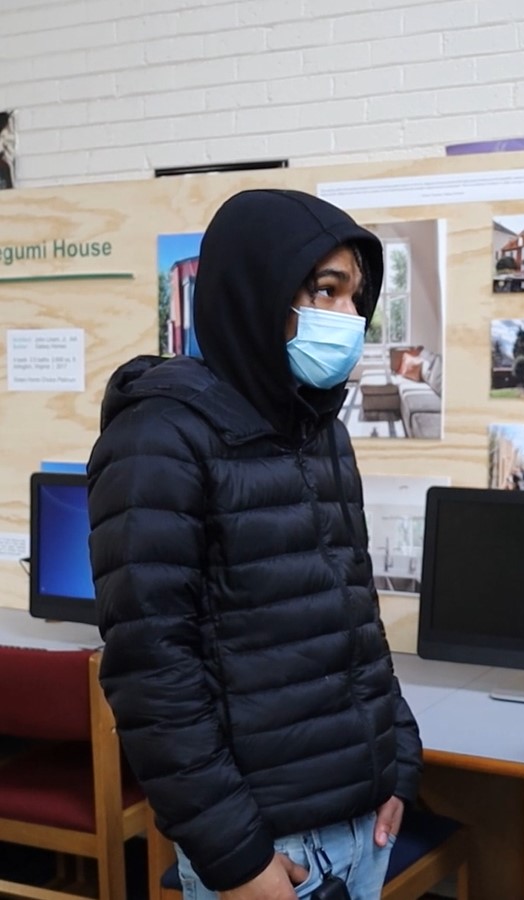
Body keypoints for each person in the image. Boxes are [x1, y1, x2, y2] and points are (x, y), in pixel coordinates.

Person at [87, 189, 422, 900]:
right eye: (324, 290)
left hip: (363, 823)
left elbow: (354, 616)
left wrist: (397, 764)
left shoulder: (318, 428)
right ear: (256, 291)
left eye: (354, 298)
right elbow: (153, 673)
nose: (345, 319)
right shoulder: (158, 438)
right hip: (269, 847)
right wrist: (235, 857)